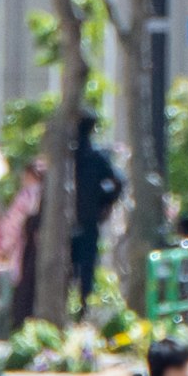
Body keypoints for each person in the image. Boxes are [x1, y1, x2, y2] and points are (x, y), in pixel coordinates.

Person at [75, 127, 127, 305]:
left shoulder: (93, 157)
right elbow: (118, 182)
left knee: (84, 268)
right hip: (87, 218)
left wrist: (105, 203)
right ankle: (83, 305)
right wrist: (105, 204)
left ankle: (83, 305)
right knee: (86, 267)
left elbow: (117, 182)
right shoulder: (94, 156)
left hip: (86, 219)